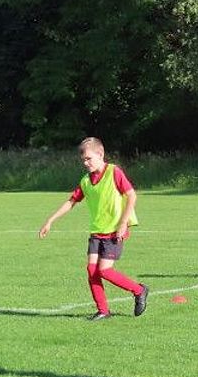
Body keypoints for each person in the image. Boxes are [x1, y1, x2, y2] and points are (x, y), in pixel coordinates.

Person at [38, 137, 149, 320]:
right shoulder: (86, 181)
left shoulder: (114, 172)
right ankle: (103, 311)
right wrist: (50, 220)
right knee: (92, 270)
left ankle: (139, 290)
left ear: (100, 154)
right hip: (97, 231)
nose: (85, 163)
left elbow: (131, 195)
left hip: (114, 230)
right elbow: (71, 201)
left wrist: (123, 223)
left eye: (89, 159)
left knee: (105, 271)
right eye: (83, 160)